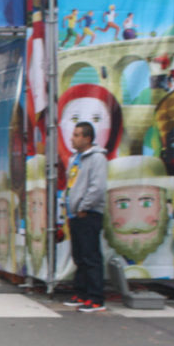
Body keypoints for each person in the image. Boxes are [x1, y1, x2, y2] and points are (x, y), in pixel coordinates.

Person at [64, 121, 108, 312]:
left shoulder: (97, 159)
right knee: (79, 256)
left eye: (76, 135)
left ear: (87, 138)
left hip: (88, 214)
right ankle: (81, 293)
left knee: (91, 256)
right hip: (75, 214)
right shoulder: (75, 158)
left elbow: (97, 187)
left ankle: (96, 297)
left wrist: (84, 207)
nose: (72, 138)